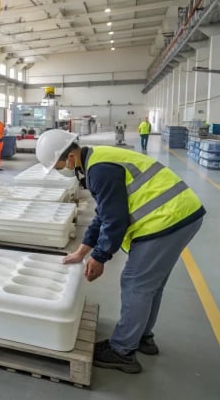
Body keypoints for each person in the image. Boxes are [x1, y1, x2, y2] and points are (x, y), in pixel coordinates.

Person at [35, 129, 205, 374]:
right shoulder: (95, 160)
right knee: (150, 284)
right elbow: (102, 215)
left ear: (70, 157)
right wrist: (83, 252)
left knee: (135, 283)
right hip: (182, 214)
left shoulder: (99, 170)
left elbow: (115, 221)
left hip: (166, 219)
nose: (60, 170)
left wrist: (100, 256)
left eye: (58, 164)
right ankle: (142, 337)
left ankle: (122, 351)